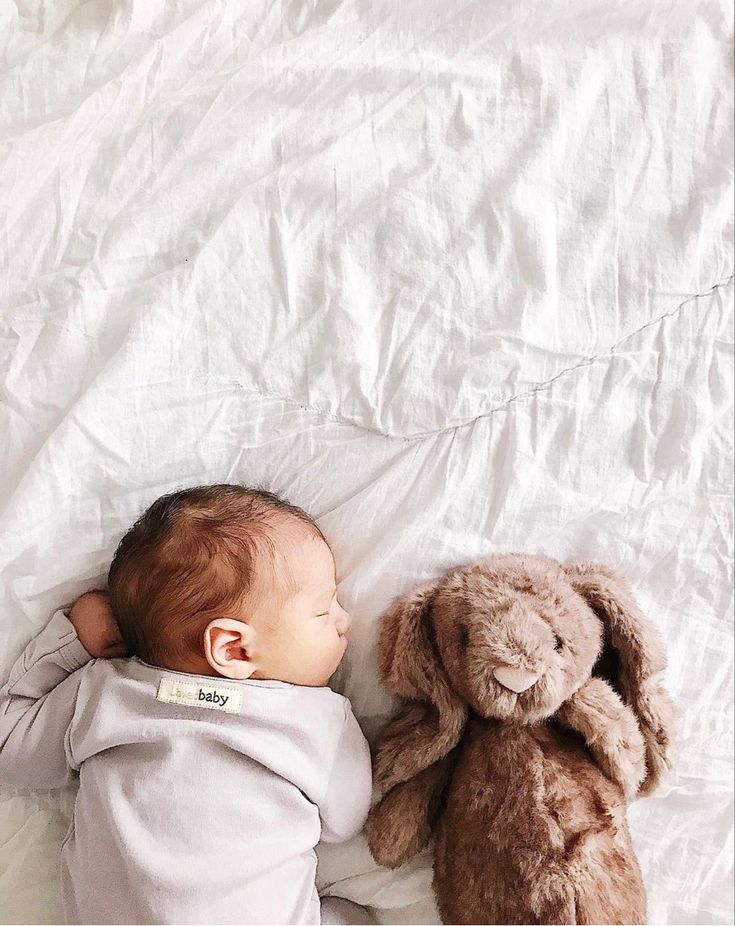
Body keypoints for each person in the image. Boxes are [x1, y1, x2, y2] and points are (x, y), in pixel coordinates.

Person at [0, 484, 373, 925]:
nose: (343, 619)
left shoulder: (103, 693)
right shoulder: (314, 722)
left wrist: (73, 642)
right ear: (233, 649)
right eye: (323, 609)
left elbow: (11, 746)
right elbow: (347, 819)